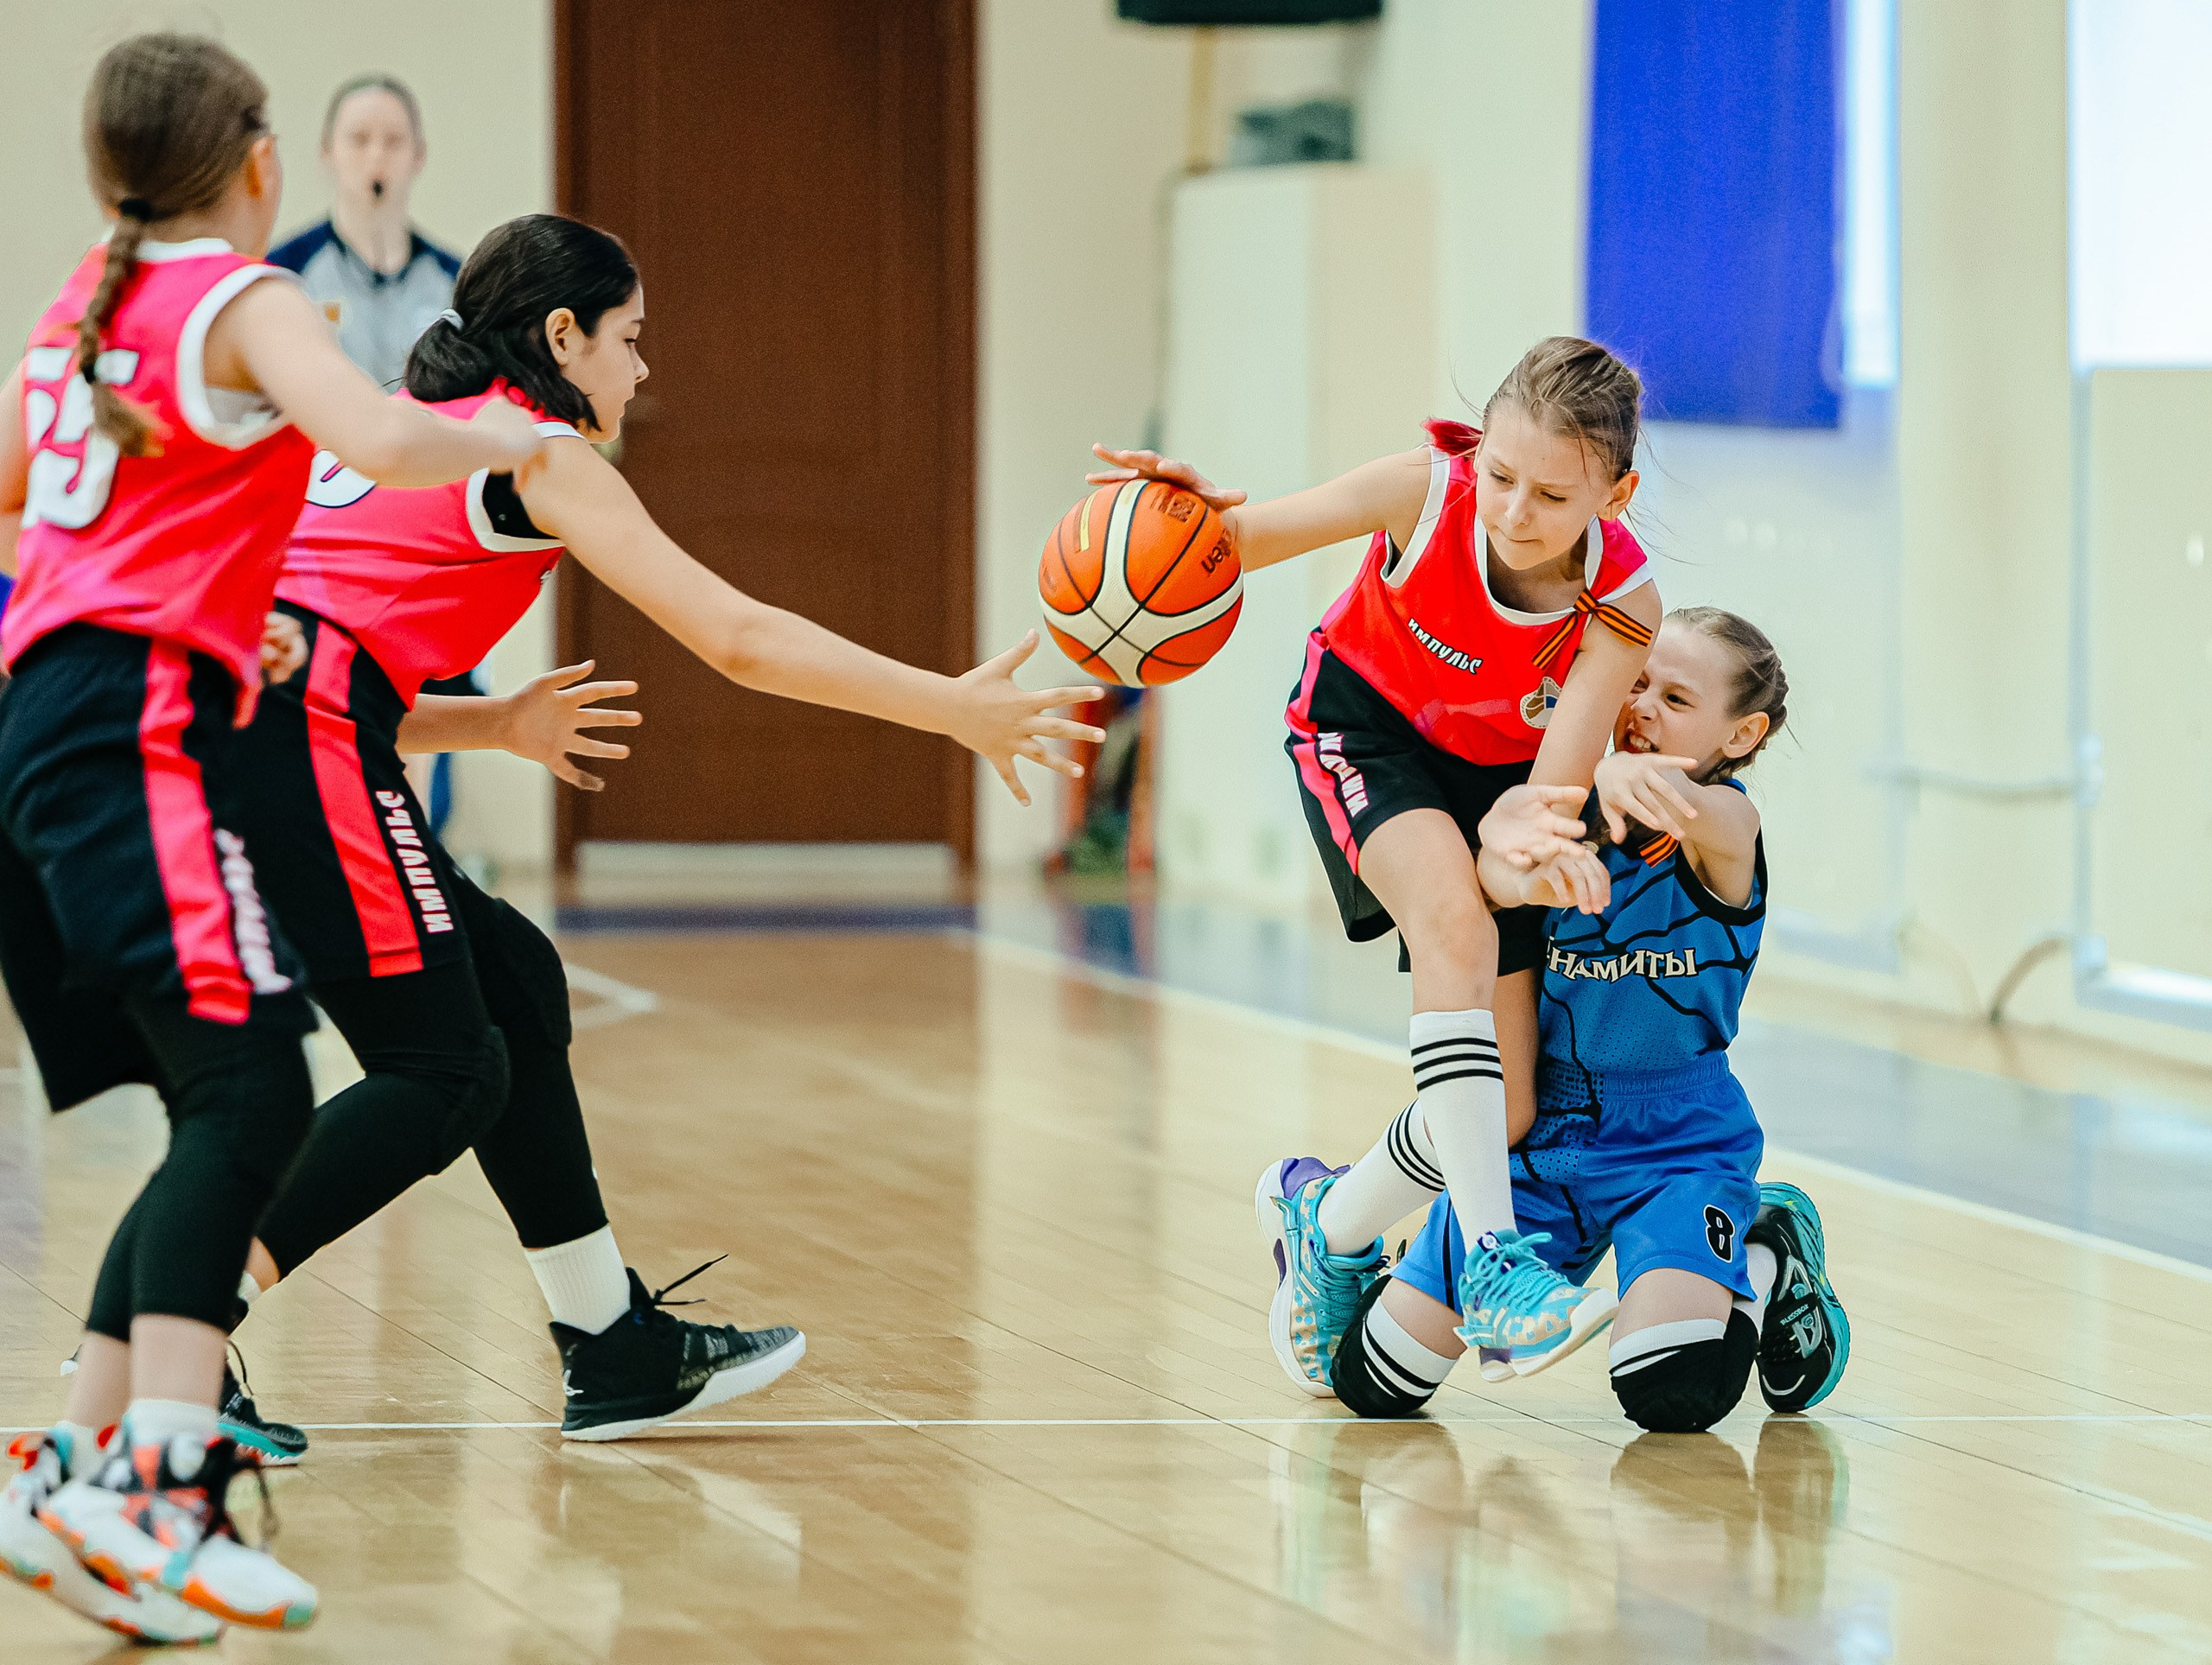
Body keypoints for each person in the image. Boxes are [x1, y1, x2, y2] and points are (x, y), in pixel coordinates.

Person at [214, 212, 1106, 1449]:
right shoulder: (538, 454)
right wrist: (950, 706)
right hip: (296, 747)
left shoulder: (394, 428)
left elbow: (325, 655)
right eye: (630, 340)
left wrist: (497, 723)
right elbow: (739, 637)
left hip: (256, 734)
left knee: (514, 983)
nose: (643, 370)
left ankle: (612, 1344)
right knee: (447, 1068)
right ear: (562, 336)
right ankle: (187, 1327)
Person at [0, 33, 547, 1641]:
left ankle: (83, 1471)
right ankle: (160, 1490)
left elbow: (44, 507)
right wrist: (526, 444)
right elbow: (380, 441)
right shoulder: (248, 301)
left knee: (213, 1102)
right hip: (128, 736)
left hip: (50, 720)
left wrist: (233, 620)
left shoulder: (75, 318)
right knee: (247, 1090)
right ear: (256, 163)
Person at [1091, 337, 1659, 1393]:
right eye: (1498, 475)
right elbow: (1236, 541)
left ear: (1614, 494)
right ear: (1474, 451)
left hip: (1503, 783)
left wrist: (1517, 849)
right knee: (1453, 925)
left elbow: (1542, 804)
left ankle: (1328, 1219)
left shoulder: (1621, 606)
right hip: (1363, 732)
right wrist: (1157, 522)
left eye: (1549, 494)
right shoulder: (1422, 494)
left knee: (1510, 1109)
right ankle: (1496, 1261)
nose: (1511, 511)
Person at [1322, 608, 1849, 1433]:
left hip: (1677, 1137)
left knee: (1672, 1392)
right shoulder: (1561, 805)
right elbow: (1481, 885)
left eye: (1676, 697)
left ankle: (1768, 1250)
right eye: (1634, 683)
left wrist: (1608, 782)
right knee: (1374, 1383)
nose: (1642, 706)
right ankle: (1356, 1236)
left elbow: (1684, 805)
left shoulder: (1728, 823)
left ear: (1742, 734)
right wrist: (1509, 842)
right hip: (1549, 1135)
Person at [268, 74, 458, 390]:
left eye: (394, 141)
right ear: (327, 152)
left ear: (419, 155)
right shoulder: (285, 272)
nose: (377, 156)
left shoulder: (453, 281)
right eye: (359, 139)